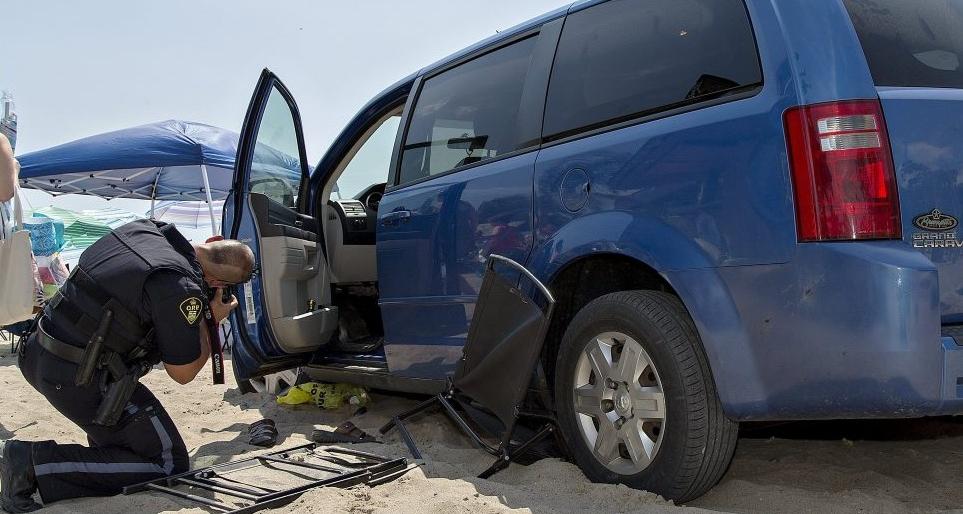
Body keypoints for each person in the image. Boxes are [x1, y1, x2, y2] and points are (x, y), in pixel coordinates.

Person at [0, 218, 254, 512]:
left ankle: (92, 461)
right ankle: (31, 463)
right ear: (218, 284)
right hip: (78, 375)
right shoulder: (179, 286)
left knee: (132, 439)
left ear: (213, 239)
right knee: (168, 462)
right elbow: (182, 373)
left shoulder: (145, 228)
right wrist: (212, 319)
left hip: (40, 351)